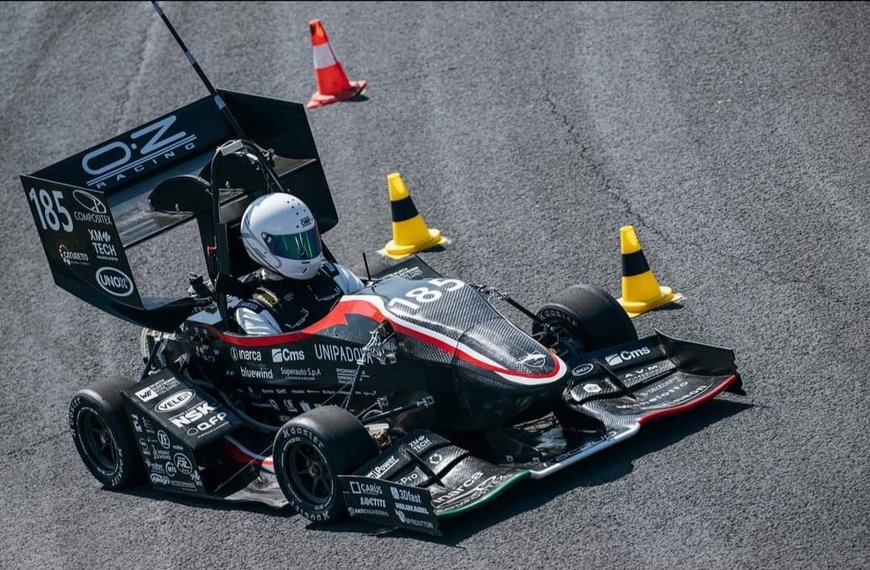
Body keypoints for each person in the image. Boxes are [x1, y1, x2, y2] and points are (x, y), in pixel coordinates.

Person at [234, 193, 362, 335]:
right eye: (292, 245)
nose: (304, 253)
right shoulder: (255, 312)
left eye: (308, 240)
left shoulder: (337, 275)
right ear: (262, 246)